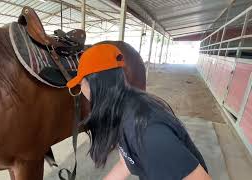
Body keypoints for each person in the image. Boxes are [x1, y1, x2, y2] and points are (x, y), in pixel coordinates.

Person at [66, 44, 211, 180]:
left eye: (81, 84)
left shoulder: (147, 130)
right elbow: (126, 163)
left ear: (95, 85)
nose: (81, 91)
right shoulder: (121, 109)